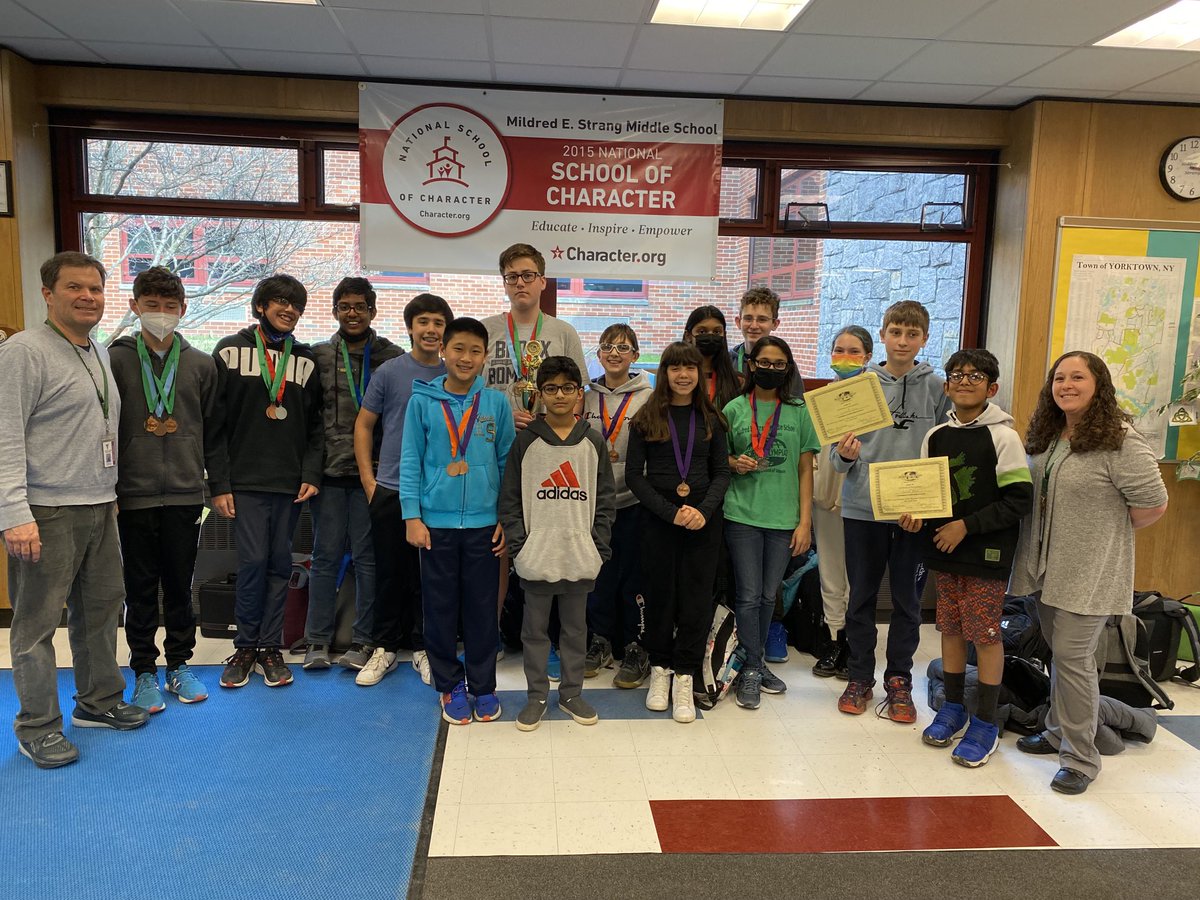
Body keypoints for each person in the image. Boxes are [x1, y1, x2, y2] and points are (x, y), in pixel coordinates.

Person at [0, 251, 149, 769]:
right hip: (46, 509)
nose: (88, 297)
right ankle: (37, 727)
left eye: (95, 289)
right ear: (48, 294)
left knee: (103, 608)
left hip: (98, 504)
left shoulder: (96, 351)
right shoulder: (24, 352)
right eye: (75, 288)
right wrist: (14, 512)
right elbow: (5, 436)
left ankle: (98, 702)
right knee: (37, 625)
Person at [1009, 350, 1167, 794]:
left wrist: (1105, 536)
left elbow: (1154, 504)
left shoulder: (1120, 440)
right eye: (1059, 377)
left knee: (1074, 659)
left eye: (1078, 377)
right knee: (1060, 654)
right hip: (1044, 567)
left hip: (1090, 570)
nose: (1067, 385)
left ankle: (1080, 757)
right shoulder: (1049, 435)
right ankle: (1059, 729)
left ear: (1099, 384)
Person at [898, 348, 1033, 767]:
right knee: (951, 630)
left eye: (974, 376)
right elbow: (927, 492)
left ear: (991, 388)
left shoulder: (1004, 437)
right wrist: (916, 515)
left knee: (985, 634)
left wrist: (965, 527)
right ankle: (953, 707)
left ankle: (986, 722)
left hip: (985, 555)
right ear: (946, 385)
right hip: (944, 551)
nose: (963, 381)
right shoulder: (936, 435)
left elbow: (1019, 500)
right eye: (956, 374)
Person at [109, 265, 225, 711]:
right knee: (139, 587)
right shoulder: (114, 360)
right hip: (131, 495)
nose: (161, 314)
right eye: (152, 306)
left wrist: (216, 486)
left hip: (184, 493)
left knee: (180, 585)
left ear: (183, 309)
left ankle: (179, 665)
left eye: (169, 307)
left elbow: (214, 432)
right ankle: (143, 671)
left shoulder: (200, 364)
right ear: (135, 307)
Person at [832, 300, 951, 721]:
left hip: (914, 515)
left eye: (912, 334)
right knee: (860, 598)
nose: (903, 341)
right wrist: (845, 455)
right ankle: (860, 676)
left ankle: (899, 680)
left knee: (908, 602)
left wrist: (927, 506)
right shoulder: (857, 386)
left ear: (924, 339)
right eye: (895, 332)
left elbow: (942, 450)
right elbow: (835, 459)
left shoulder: (937, 388)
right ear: (881, 335)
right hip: (862, 510)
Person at [400, 317, 515, 725]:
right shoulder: (422, 402)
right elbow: (410, 461)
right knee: (441, 609)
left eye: (475, 351)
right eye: (459, 349)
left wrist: (506, 518)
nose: (466, 358)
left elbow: (506, 463)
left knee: (484, 610)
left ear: (485, 357)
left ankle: (483, 686)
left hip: (485, 525)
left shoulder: (497, 403)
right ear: (444, 351)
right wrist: (412, 516)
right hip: (436, 525)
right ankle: (450, 685)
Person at [211, 273, 323, 690]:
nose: (289, 309)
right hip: (243, 482)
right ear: (261, 306)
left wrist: (311, 473)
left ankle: (270, 647)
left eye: (296, 305)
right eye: (280, 301)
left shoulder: (306, 360)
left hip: (291, 484)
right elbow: (215, 425)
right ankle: (245, 647)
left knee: (280, 564)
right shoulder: (229, 351)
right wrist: (219, 483)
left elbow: (316, 428)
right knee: (253, 562)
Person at [501, 356, 616, 732]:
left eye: (568, 388)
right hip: (537, 555)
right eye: (551, 388)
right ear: (540, 394)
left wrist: (597, 548)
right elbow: (511, 500)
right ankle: (535, 695)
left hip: (579, 555)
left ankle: (570, 693)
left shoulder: (593, 442)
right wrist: (521, 547)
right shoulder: (526, 441)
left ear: (580, 394)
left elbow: (605, 501)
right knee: (533, 631)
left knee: (574, 630)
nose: (560, 395)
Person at [626, 341, 731, 724]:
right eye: (675, 368)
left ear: (700, 375)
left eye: (691, 368)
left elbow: (722, 472)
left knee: (696, 598)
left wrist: (702, 512)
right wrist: (671, 514)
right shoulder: (647, 417)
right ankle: (660, 669)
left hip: (703, 521)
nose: (684, 375)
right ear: (664, 373)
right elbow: (634, 476)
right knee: (660, 596)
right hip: (660, 519)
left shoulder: (713, 419)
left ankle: (685, 675)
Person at [302, 278, 401, 671]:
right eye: (344, 306)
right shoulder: (318, 356)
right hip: (327, 474)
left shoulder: (392, 358)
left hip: (373, 476)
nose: (353, 313)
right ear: (334, 312)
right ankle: (316, 641)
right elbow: (308, 420)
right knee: (323, 557)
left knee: (368, 559)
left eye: (360, 306)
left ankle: (363, 641)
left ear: (373, 311)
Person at [354, 292, 451, 686]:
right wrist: (368, 480)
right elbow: (364, 425)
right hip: (391, 487)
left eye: (438, 323)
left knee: (428, 576)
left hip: (438, 492)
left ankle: (425, 647)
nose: (430, 330)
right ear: (410, 327)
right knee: (389, 573)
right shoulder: (390, 373)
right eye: (423, 322)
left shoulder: (453, 375)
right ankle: (385, 648)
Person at [723, 336, 819, 709]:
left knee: (767, 594)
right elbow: (720, 460)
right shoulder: (733, 409)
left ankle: (754, 661)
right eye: (765, 362)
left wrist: (805, 522)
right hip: (742, 514)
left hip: (784, 518)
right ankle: (752, 668)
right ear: (751, 365)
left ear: (788, 369)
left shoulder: (798, 412)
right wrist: (734, 463)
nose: (771, 369)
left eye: (780, 364)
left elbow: (805, 468)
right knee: (748, 595)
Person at [580, 324, 653, 688]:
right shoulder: (586, 397)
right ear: (598, 353)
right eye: (607, 345)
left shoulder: (649, 396)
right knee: (600, 574)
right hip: (597, 502)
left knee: (635, 576)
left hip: (637, 499)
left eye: (623, 347)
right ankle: (601, 640)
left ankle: (636, 644)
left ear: (635, 355)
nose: (614, 353)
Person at [811, 325, 873, 679]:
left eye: (853, 352)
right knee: (830, 570)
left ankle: (857, 642)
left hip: (861, 497)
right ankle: (834, 638)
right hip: (825, 494)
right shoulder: (821, 399)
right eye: (838, 350)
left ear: (866, 356)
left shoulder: (877, 397)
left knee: (858, 575)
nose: (844, 357)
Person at [731, 287, 804, 397]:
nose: (754, 326)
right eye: (748, 318)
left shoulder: (784, 364)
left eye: (762, 319)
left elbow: (796, 404)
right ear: (738, 322)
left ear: (775, 324)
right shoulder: (728, 361)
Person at [682, 305, 741, 411]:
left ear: (724, 335)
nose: (710, 336)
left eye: (717, 332)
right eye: (702, 332)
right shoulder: (678, 378)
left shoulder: (738, 381)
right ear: (688, 336)